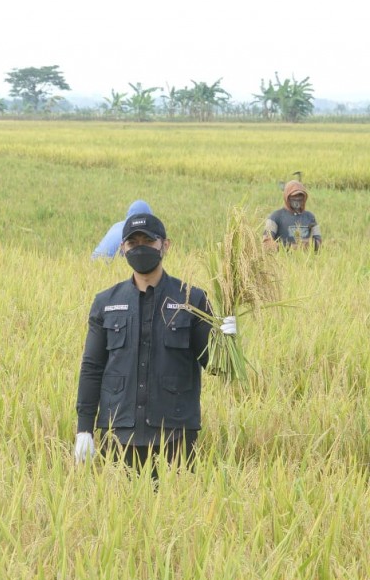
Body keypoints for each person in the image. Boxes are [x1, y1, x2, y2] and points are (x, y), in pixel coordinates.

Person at [74, 212, 236, 475]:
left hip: (175, 438)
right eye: (133, 242)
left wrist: (227, 340)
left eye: (147, 241)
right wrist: (84, 428)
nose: (140, 248)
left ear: (165, 245)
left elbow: (214, 365)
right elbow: (92, 368)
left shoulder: (191, 300)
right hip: (119, 436)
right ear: (123, 248)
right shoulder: (106, 302)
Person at [264, 180, 321, 252]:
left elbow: (319, 242)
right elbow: (266, 244)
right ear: (287, 197)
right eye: (294, 196)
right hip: (283, 260)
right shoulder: (275, 217)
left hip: (305, 261)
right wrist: (290, 247)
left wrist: (310, 243)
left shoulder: (310, 217)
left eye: (300, 197)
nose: (297, 199)